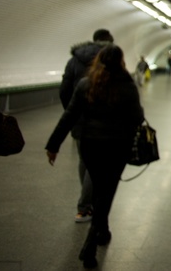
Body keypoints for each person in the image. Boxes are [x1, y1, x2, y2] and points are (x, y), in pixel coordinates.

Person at [46, 44, 144, 269]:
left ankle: (104, 228)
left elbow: (69, 116)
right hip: (117, 147)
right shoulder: (127, 86)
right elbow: (138, 117)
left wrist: (53, 145)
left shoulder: (86, 84)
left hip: (90, 146)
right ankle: (90, 244)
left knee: (100, 189)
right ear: (121, 62)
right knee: (107, 192)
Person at [59, 28, 114, 223]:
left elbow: (64, 90)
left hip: (79, 120)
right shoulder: (109, 59)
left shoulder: (74, 60)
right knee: (96, 163)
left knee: (84, 160)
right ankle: (84, 207)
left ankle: (88, 202)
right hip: (102, 121)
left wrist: (72, 112)